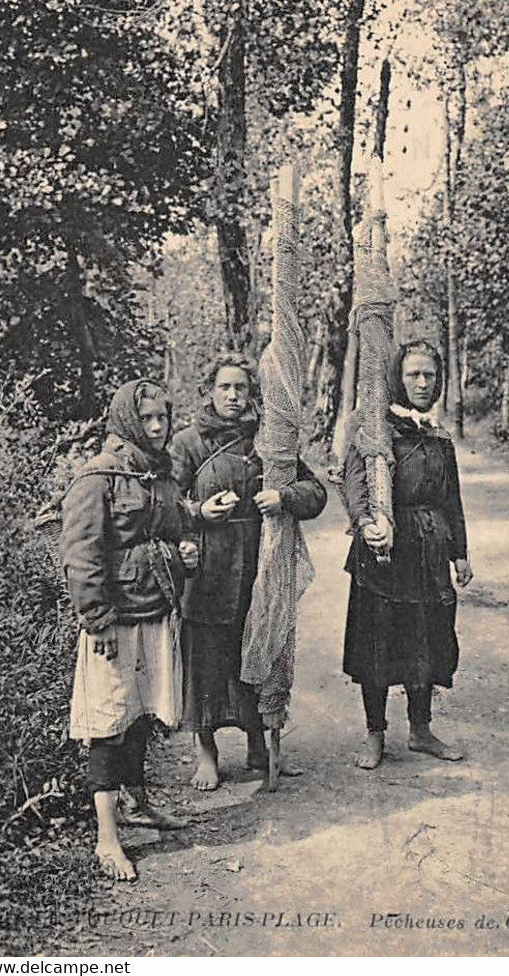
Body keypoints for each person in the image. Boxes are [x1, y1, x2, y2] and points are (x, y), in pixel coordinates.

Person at [61, 379, 198, 882]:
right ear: (125, 421)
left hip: (155, 612)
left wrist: (186, 555)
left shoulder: (159, 475)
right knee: (108, 724)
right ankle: (106, 837)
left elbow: (173, 530)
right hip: (114, 623)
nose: (159, 427)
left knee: (141, 715)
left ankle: (138, 805)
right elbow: (81, 558)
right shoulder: (97, 479)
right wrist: (96, 620)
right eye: (147, 419)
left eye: (164, 416)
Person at [170, 352, 327, 791]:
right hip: (206, 571)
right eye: (225, 387)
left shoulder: (269, 440)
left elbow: (316, 492)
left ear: (252, 393)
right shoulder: (188, 443)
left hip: (259, 570)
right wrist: (199, 511)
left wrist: (284, 500)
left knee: (257, 655)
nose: (233, 396)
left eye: (241, 388)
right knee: (205, 661)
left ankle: (260, 746)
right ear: (209, 391)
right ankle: (206, 753)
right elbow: (164, 504)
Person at [342, 340, 473, 770]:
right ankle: (375, 733)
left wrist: (460, 553)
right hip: (384, 548)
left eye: (429, 375)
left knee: (426, 640)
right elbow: (355, 483)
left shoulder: (437, 435)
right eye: (413, 374)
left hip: (429, 550)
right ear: (397, 378)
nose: (421, 382)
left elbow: (451, 498)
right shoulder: (377, 428)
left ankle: (420, 729)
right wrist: (367, 524)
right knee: (378, 641)